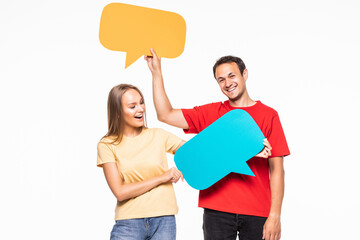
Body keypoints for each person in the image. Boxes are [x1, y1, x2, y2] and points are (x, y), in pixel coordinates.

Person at [145, 49, 290, 240]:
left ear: (244, 74)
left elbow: (277, 170)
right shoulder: (211, 113)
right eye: (221, 79)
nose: (227, 83)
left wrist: (275, 215)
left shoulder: (268, 115)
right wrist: (156, 72)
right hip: (217, 210)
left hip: (257, 211)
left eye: (232, 76)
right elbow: (165, 114)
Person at [97, 83, 186, 240]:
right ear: (118, 111)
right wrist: (163, 177)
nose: (140, 109)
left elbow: (195, 152)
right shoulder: (107, 145)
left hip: (164, 221)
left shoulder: (158, 135)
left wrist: (186, 167)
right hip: (128, 223)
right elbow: (120, 192)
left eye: (141, 102)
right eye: (132, 106)